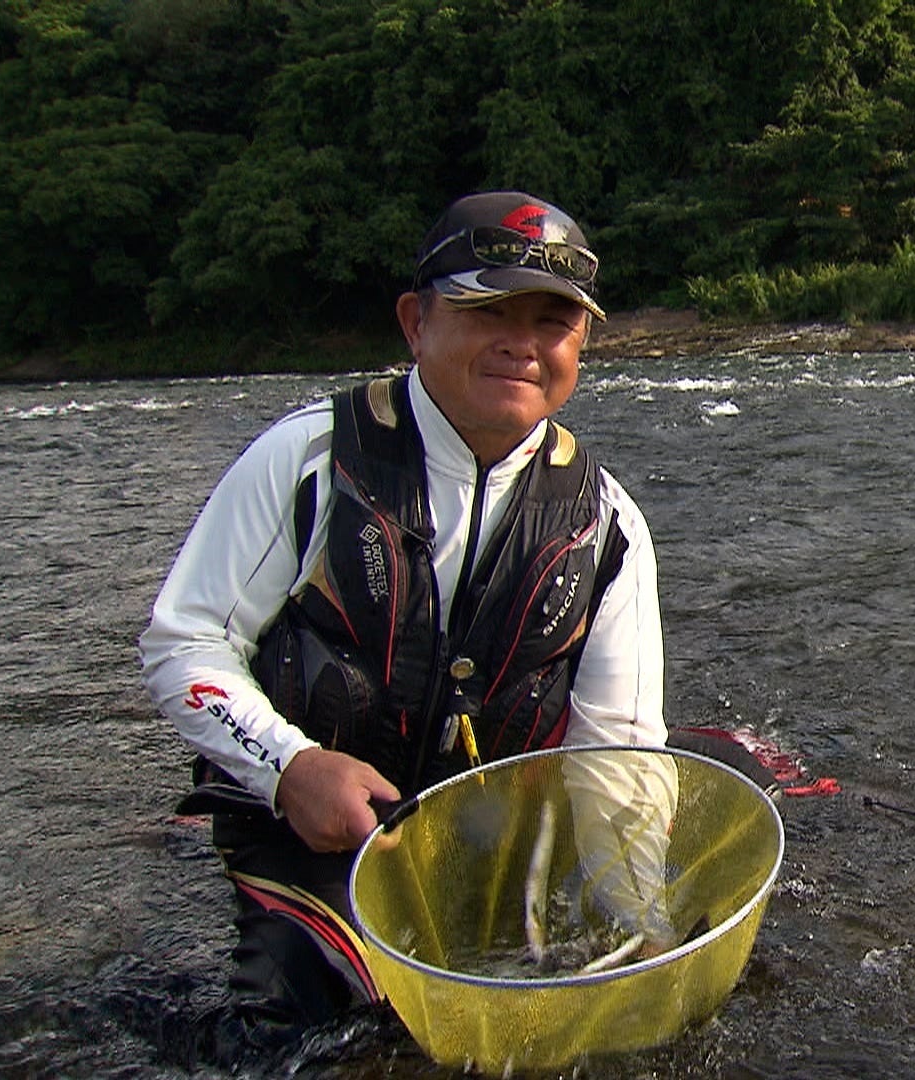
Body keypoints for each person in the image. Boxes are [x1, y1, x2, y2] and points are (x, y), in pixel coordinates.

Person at [139, 190, 667, 1055]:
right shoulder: (307, 456)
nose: (523, 342)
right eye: (488, 308)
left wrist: (638, 922)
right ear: (415, 322)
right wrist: (290, 767)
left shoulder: (610, 522)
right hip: (308, 833)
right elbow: (185, 642)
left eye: (554, 321)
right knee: (298, 1041)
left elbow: (621, 748)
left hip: (494, 853)